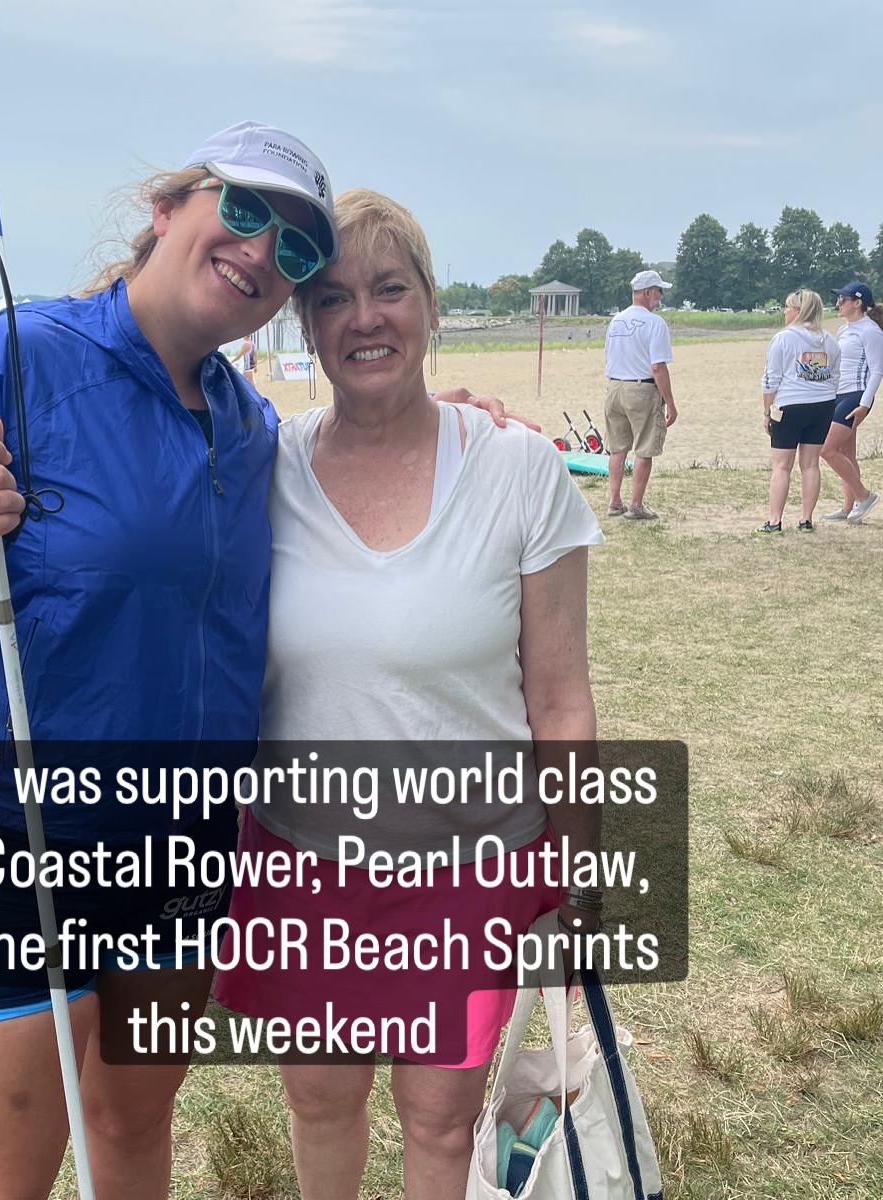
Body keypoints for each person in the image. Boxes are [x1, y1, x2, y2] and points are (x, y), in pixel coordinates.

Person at [0, 123, 509, 1200]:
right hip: (12, 830)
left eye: (299, 247)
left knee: (134, 1127)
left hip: (183, 838)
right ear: (169, 205)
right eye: (245, 210)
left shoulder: (247, 425)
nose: (265, 250)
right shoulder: (6, 361)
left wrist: (435, 426)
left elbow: (347, 472)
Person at [214, 189, 604, 1199]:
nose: (365, 318)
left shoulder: (518, 471)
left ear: (431, 304)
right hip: (305, 862)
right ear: (306, 325)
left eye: (391, 289)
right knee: (321, 1100)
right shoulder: (266, 464)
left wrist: (582, 876)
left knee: (442, 1121)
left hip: (470, 865)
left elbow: (561, 703)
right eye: (334, 298)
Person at [755, 289, 840, 534]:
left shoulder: (784, 338)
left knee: (781, 466)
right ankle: (806, 519)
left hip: (790, 404)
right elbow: (834, 377)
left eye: (788, 307)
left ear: (798, 311)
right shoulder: (829, 341)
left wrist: (766, 411)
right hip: (822, 405)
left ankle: (774, 521)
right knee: (811, 464)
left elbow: (771, 379)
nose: (785, 311)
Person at [603, 269, 678, 519]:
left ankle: (614, 501)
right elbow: (658, 366)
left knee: (617, 448)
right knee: (644, 448)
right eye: (658, 291)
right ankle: (636, 505)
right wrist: (670, 402)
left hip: (614, 387)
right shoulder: (655, 323)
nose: (660, 296)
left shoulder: (615, 320)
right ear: (647, 293)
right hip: (641, 388)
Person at [821, 280, 882, 523]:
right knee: (846, 451)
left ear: (857, 303)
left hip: (856, 396)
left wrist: (864, 404)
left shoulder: (871, 331)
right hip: (839, 394)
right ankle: (848, 507)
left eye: (843, 300)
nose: (838, 304)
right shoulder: (844, 329)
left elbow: (877, 370)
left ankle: (864, 495)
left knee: (827, 449)